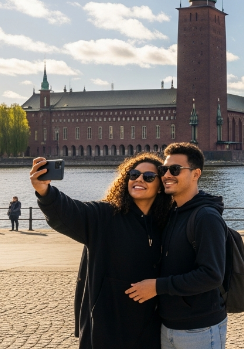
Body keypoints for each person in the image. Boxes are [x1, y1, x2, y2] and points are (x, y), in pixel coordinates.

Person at [29, 153, 173, 348]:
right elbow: (70, 211)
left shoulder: (165, 223)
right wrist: (45, 191)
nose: (139, 179)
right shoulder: (104, 215)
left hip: (148, 328)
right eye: (133, 174)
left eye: (148, 177)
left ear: (159, 187)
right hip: (105, 327)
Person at [125, 142, 229, 349]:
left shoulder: (206, 217)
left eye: (175, 170)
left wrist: (157, 286)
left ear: (196, 174)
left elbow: (211, 275)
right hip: (169, 325)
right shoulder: (173, 213)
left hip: (199, 328)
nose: (166, 175)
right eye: (164, 170)